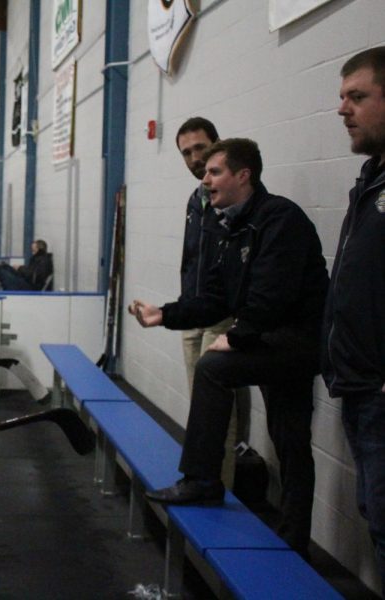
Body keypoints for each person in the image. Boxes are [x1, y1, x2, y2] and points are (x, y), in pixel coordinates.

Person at [128, 138, 329, 555]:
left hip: (295, 344)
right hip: (272, 341)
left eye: (214, 172)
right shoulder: (229, 227)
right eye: (205, 173)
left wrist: (236, 337)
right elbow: (215, 299)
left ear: (244, 175)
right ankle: (290, 539)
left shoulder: (280, 219)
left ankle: (203, 481)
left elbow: (273, 297)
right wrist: (163, 314)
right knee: (288, 439)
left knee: (216, 371)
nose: (205, 179)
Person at [325, 46, 385, 584]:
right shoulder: (370, 181)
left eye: (358, 97)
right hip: (362, 388)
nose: (343, 109)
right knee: (376, 515)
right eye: (342, 97)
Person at [175, 117, 250, 490]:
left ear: (217, 144)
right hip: (193, 312)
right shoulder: (196, 200)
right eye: (186, 153)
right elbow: (191, 257)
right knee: (199, 406)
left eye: (200, 149)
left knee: (217, 407)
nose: (193, 158)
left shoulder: (236, 199)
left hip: (221, 316)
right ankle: (205, 481)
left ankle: (221, 491)